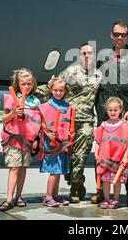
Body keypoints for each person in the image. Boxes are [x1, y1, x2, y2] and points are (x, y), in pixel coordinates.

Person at [36, 43, 102, 203]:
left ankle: (74, 189)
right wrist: (30, 92)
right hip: (66, 121)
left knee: (80, 157)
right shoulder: (70, 72)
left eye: (90, 53)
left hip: (86, 121)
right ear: (80, 56)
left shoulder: (99, 75)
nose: (87, 56)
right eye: (84, 53)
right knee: (68, 158)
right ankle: (77, 182)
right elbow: (54, 87)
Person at [93, 19, 128, 206]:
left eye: (122, 34)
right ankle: (100, 190)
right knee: (102, 153)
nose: (119, 37)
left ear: (127, 36)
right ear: (111, 36)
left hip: (125, 112)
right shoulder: (102, 57)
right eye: (116, 34)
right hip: (104, 110)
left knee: (127, 153)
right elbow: (95, 83)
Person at [0, 68, 41, 212]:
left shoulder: (35, 101)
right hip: (14, 139)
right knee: (14, 167)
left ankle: (19, 196)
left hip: (28, 141)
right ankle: (9, 199)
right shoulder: (12, 98)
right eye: (23, 84)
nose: (27, 87)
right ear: (18, 84)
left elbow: (37, 122)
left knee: (23, 167)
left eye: (29, 83)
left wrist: (37, 139)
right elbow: (4, 120)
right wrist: (14, 112)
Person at [37, 77, 73, 207]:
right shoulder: (45, 106)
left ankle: (55, 196)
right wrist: (48, 134)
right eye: (56, 90)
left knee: (59, 170)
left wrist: (69, 137)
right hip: (51, 143)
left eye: (61, 90)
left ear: (65, 91)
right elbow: (42, 124)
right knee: (54, 170)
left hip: (62, 143)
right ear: (51, 90)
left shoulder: (67, 106)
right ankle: (48, 197)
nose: (58, 93)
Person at [94, 97, 128, 209]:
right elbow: (98, 141)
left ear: (120, 110)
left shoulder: (124, 125)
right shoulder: (103, 125)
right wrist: (96, 153)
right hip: (105, 158)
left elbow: (127, 143)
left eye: (115, 110)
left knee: (117, 181)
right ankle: (106, 200)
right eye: (110, 110)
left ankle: (116, 200)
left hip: (118, 157)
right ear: (106, 111)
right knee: (106, 180)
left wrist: (126, 157)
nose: (113, 112)